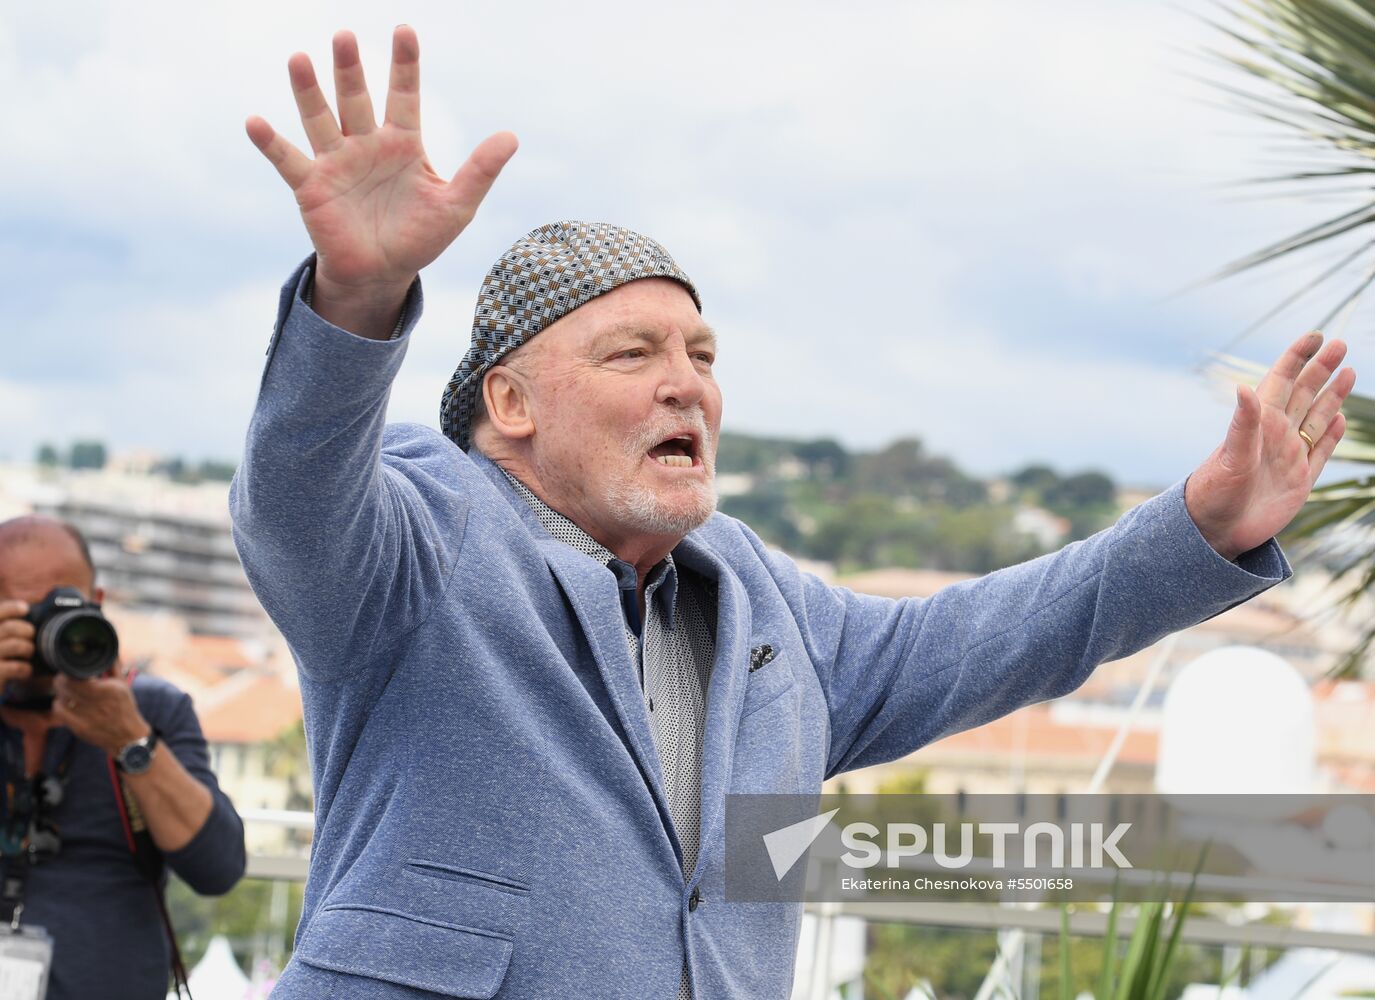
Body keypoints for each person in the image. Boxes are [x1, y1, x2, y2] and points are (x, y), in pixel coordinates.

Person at [231, 26, 1356, 1000]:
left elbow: (991, 637)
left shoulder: (764, 603)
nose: (689, 384)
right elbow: (296, 496)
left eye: (703, 355)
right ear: (509, 403)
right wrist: (360, 297)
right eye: (634, 354)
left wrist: (1202, 525)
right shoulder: (420, 541)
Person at [0, 516, 247, 1000]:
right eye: (21, 615)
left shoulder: (152, 709)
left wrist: (131, 741)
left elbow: (218, 867)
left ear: (97, 605)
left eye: (57, 610)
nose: (42, 634)